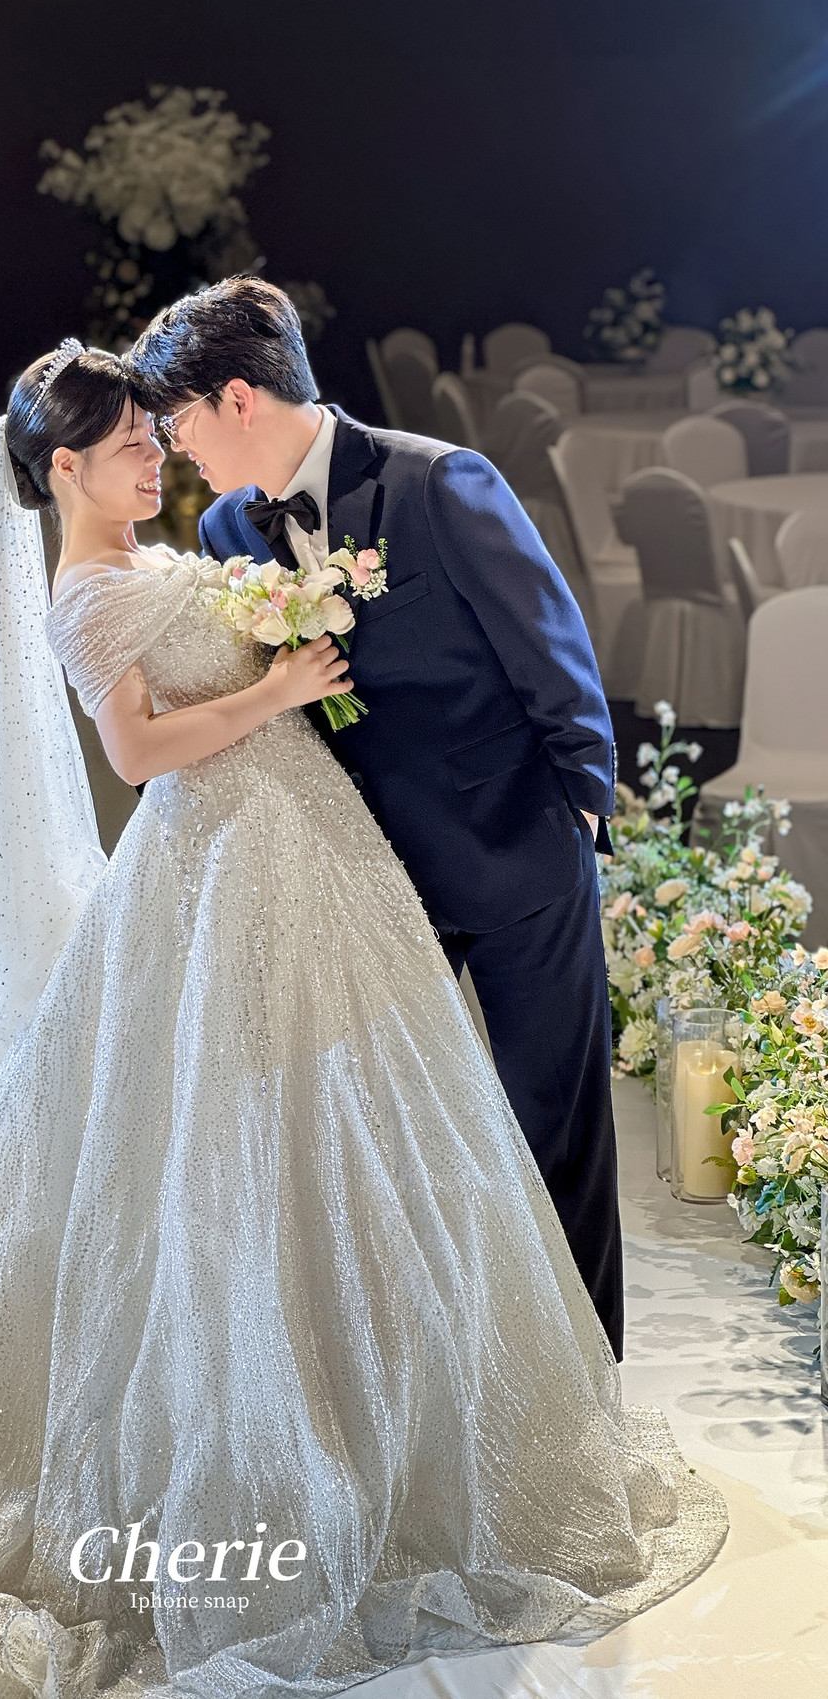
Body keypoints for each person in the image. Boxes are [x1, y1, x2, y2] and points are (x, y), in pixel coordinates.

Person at [0, 343, 725, 1699]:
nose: (158, 457)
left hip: (313, 849)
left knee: (369, 1126)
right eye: (129, 445)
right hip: (218, 867)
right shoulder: (86, 589)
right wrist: (274, 689)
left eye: (159, 434)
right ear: (65, 467)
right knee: (224, 1143)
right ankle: (268, 1428)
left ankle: (409, 1396)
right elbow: (138, 751)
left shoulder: (179, 550)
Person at [127, 279, 625, 1360]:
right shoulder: (226, 527)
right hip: (365, 876)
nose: (175, 447)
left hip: (515, 853)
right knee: (391, 1140)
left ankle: (586, 1388)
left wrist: (582, 811)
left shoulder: (438, 482)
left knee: (555, 1131)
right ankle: (432, 1386)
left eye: (178, 421)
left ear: (237, 398)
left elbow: (552, 651)